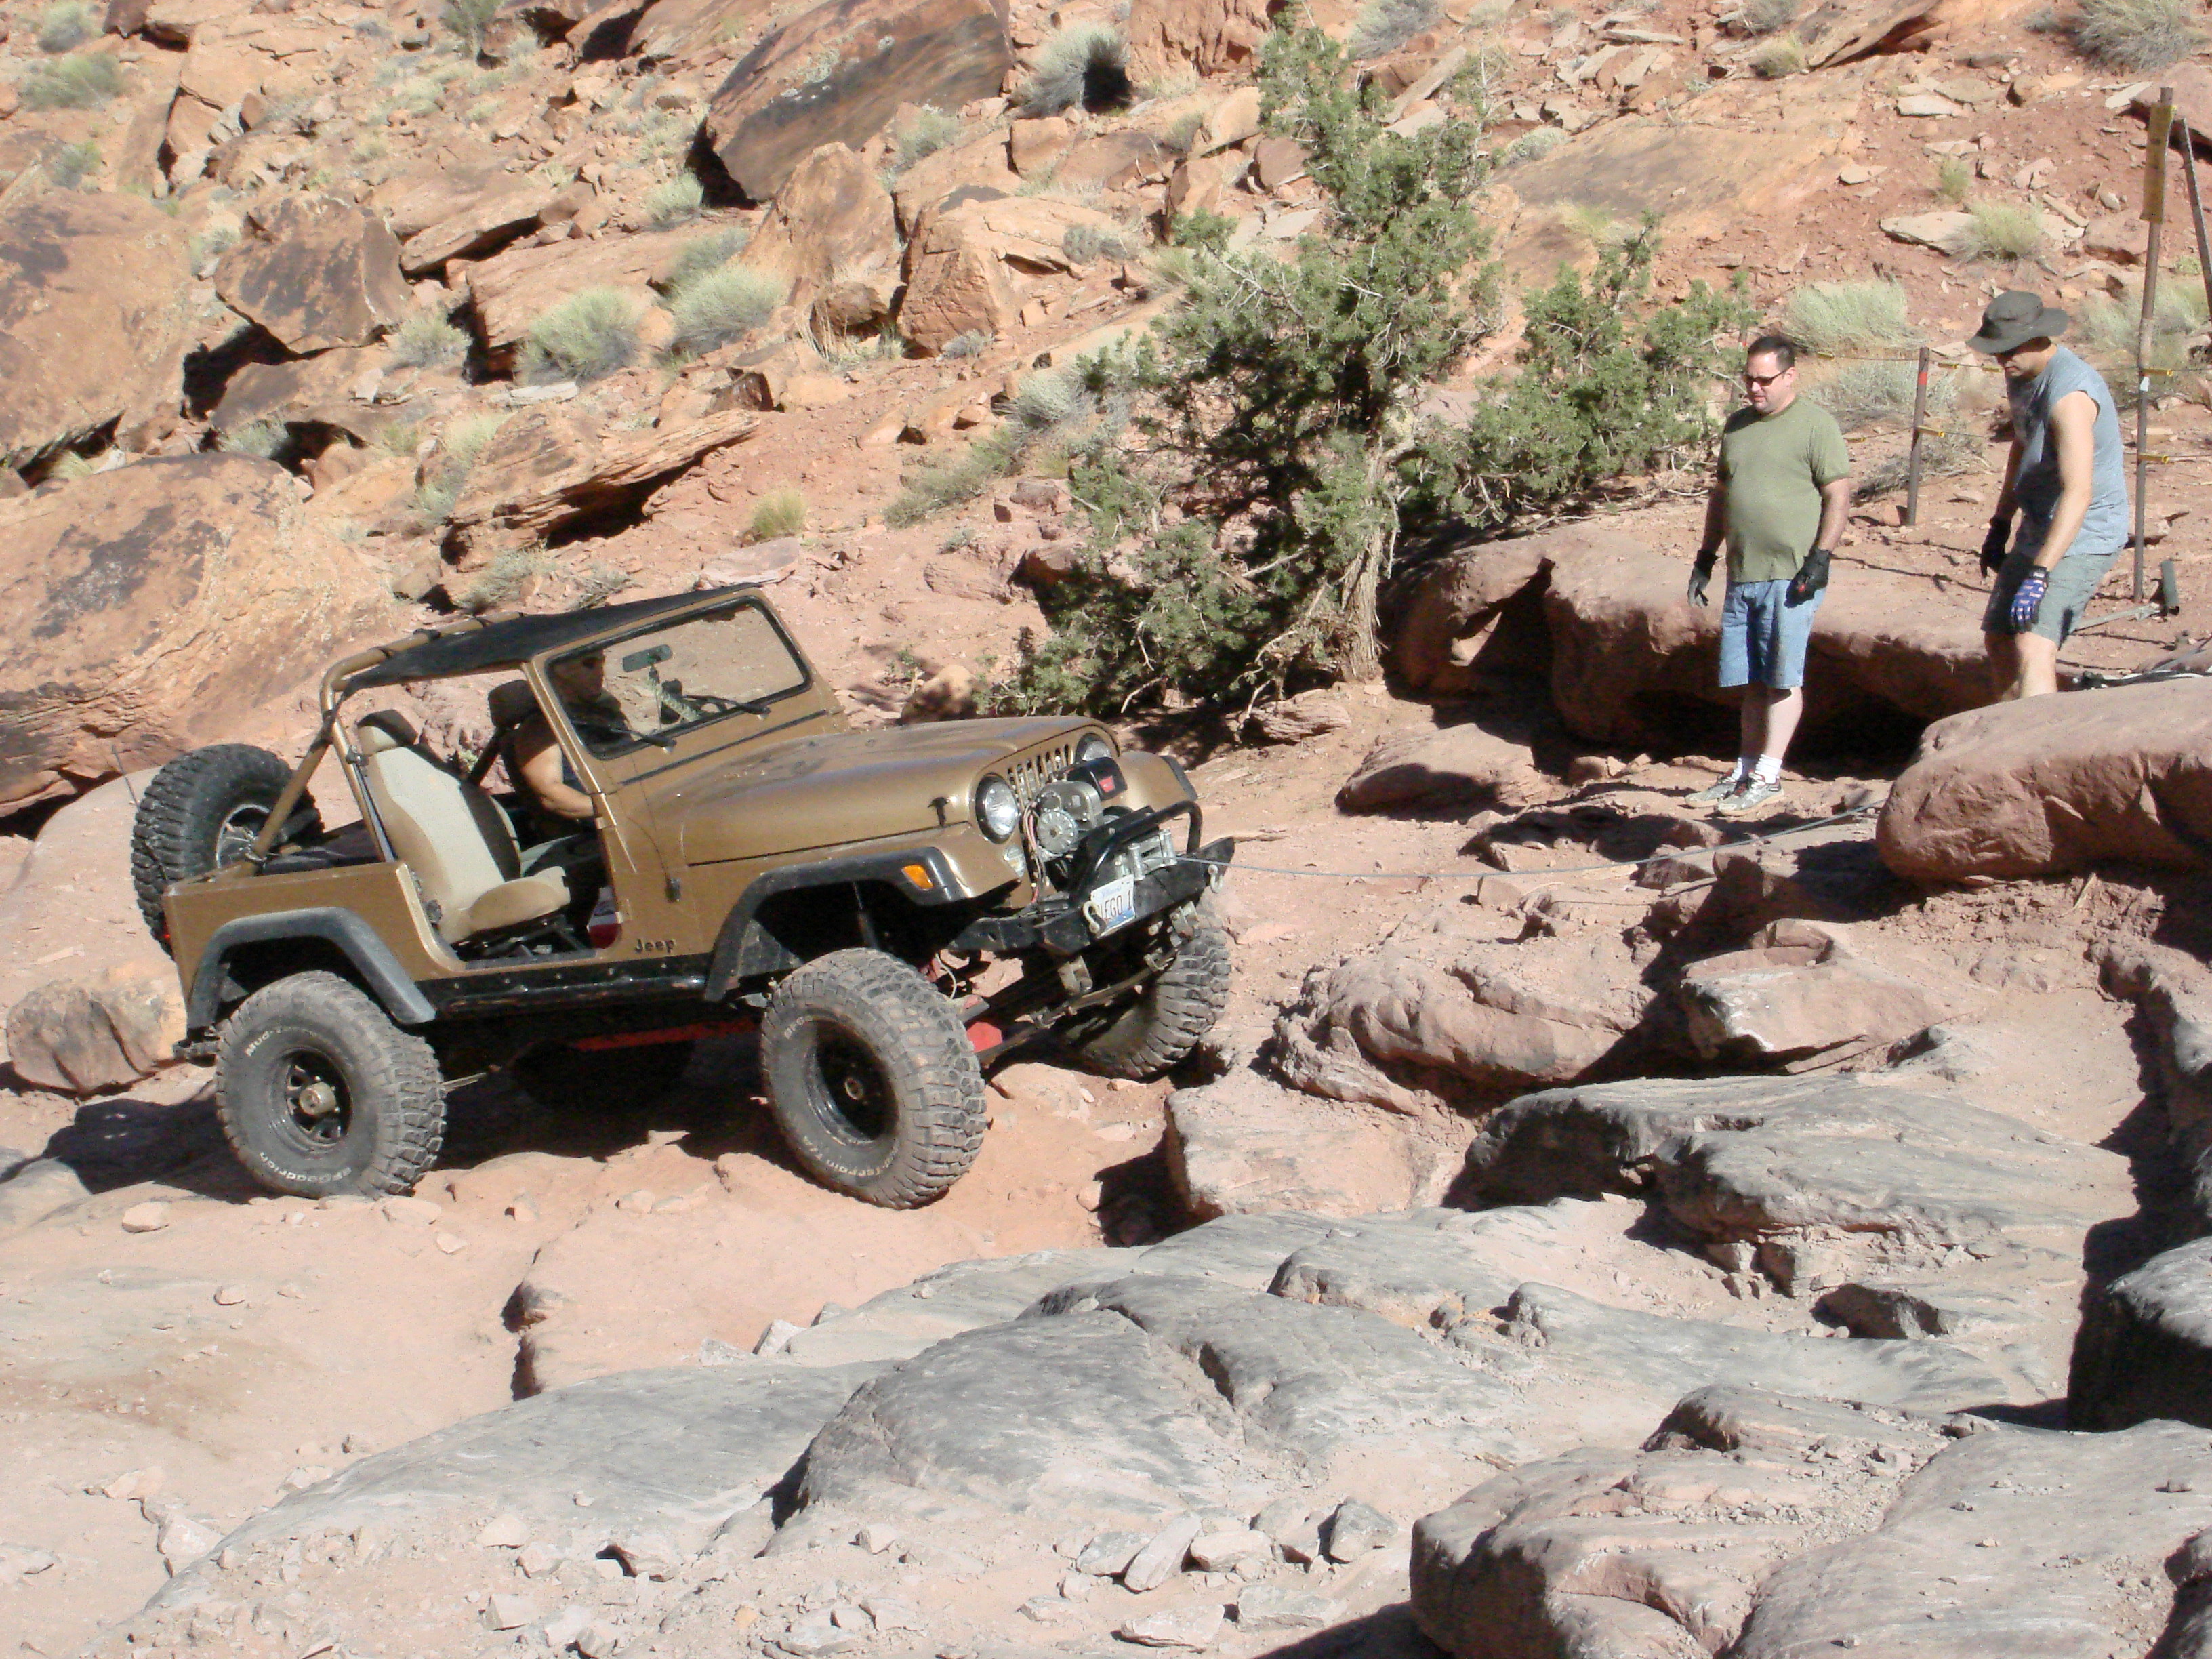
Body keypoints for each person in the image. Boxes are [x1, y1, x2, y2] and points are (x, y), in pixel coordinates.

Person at [1685, 335, 1853, 817]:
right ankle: (1744, 770)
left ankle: (1768, 775)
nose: (1754, 388)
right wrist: (1706, 556)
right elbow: (1722, 496)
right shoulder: (1737, 427)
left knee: (1781, 678)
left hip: (1791, 574)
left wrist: (1820, 558)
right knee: (1753, 681)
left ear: (1790, 376)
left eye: (1765, 380)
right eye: (1749, 379)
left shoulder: (1815, 425)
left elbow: (1838, 494)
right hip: (1744, 573)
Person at [1967, 291, 2131, 699]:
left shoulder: (2070, 396)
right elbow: (2022, 445)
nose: (2001, 360)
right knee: (2000, 638)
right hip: (2038, 525)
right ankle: (2006, 730)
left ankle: (2035, 737)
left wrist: (2040, 574)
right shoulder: (2020, 375)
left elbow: (2079, 493)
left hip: (2084, 532)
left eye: (2009, 349)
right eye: (1996, 351)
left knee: (2033, 643)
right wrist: (2001, 523)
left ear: (2038, 338)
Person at [511, 650, 628, 833]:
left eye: (602, 663)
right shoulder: (542, 727)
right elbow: (552, 796)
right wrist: (622, 807)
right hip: (602, 829)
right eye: (589, 664)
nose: (601, 672)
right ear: (561, 670)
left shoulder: (601, 713)